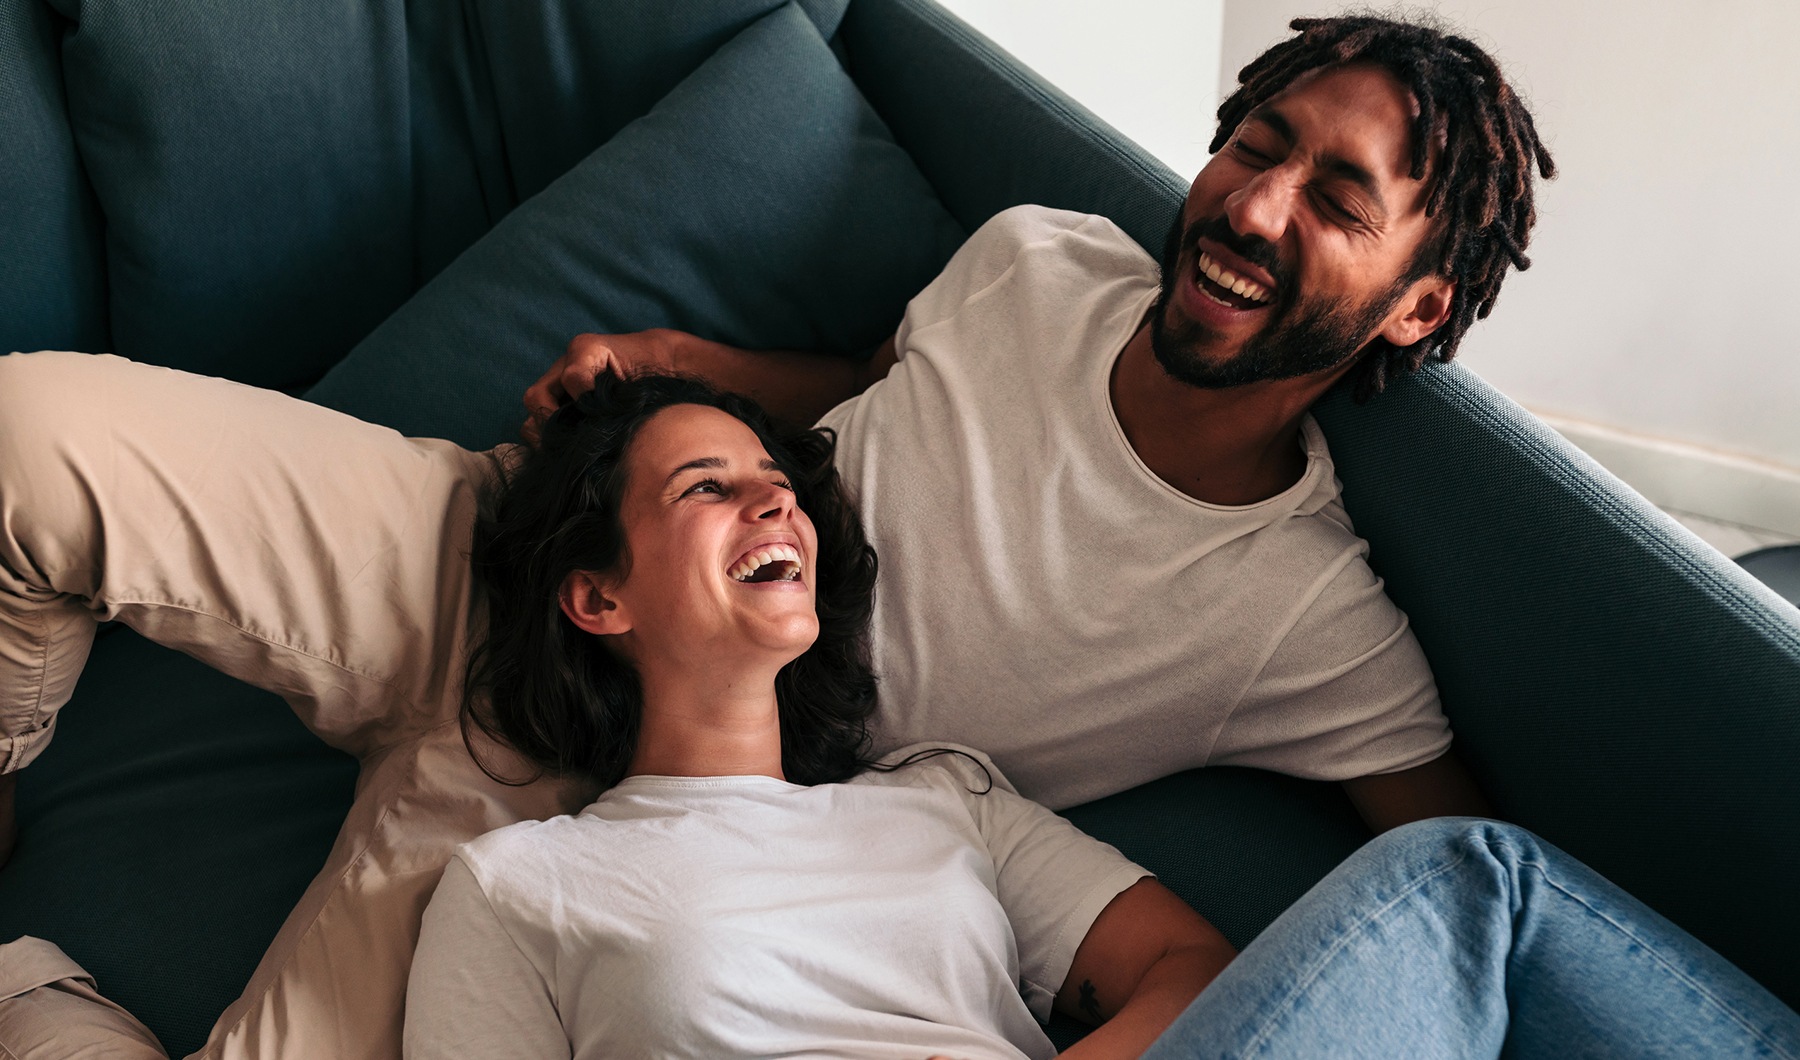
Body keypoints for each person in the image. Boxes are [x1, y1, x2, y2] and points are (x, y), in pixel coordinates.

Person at [0, 13, 1599, 1058]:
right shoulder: (1044, 259)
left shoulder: (1297, 616)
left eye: (1338, 198)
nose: (1256, 208)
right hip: (544, 543)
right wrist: (693, 376)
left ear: (1418, 300)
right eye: (1260, 144)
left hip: (634, 789)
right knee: (26, 436)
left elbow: (1434, 879)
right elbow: (892, 388)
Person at [401, 372, 1798, 1059]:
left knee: (1486, 882)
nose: (774, 502)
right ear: (597, 598)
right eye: (709, 485)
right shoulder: (522, 885)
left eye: (779, 479)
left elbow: (1188, 971)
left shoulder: (938, 801)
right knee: (1469, 874)